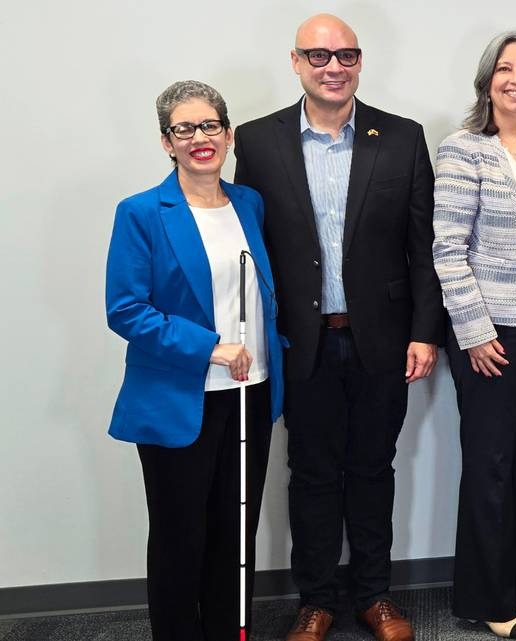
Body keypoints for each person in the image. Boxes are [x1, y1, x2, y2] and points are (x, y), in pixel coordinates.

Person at [233, 13, 443, 641]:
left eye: (346, 55)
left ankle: (375, 595)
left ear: (360, 61)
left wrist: (425, 331)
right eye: (319, 56)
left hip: (383, 340)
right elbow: (251, 247)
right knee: (314, 472)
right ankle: (317, 599)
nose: (334, 67)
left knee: (374, 469)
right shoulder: (259, 141)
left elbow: (423, 246)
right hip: (304, 343)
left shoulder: (402, 138)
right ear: (295, 63)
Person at [105, 80, 285, 641]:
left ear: (228, 134)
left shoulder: (249, 204)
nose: (200, 138)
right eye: (185, 129)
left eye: (210, 126)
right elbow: (126, 310)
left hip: (250, 392)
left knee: (236, 534)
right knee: (181, 537)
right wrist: (211, 347)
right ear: (167, 142)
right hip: (178, 400)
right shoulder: (141, 213)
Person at [433, 31, 516, 640]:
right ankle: (487, 598)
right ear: (487, 80)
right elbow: (447, 250)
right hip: (492, 328)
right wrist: (474, 331)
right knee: (490, 463)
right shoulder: (464, 151)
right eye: (506, 68)